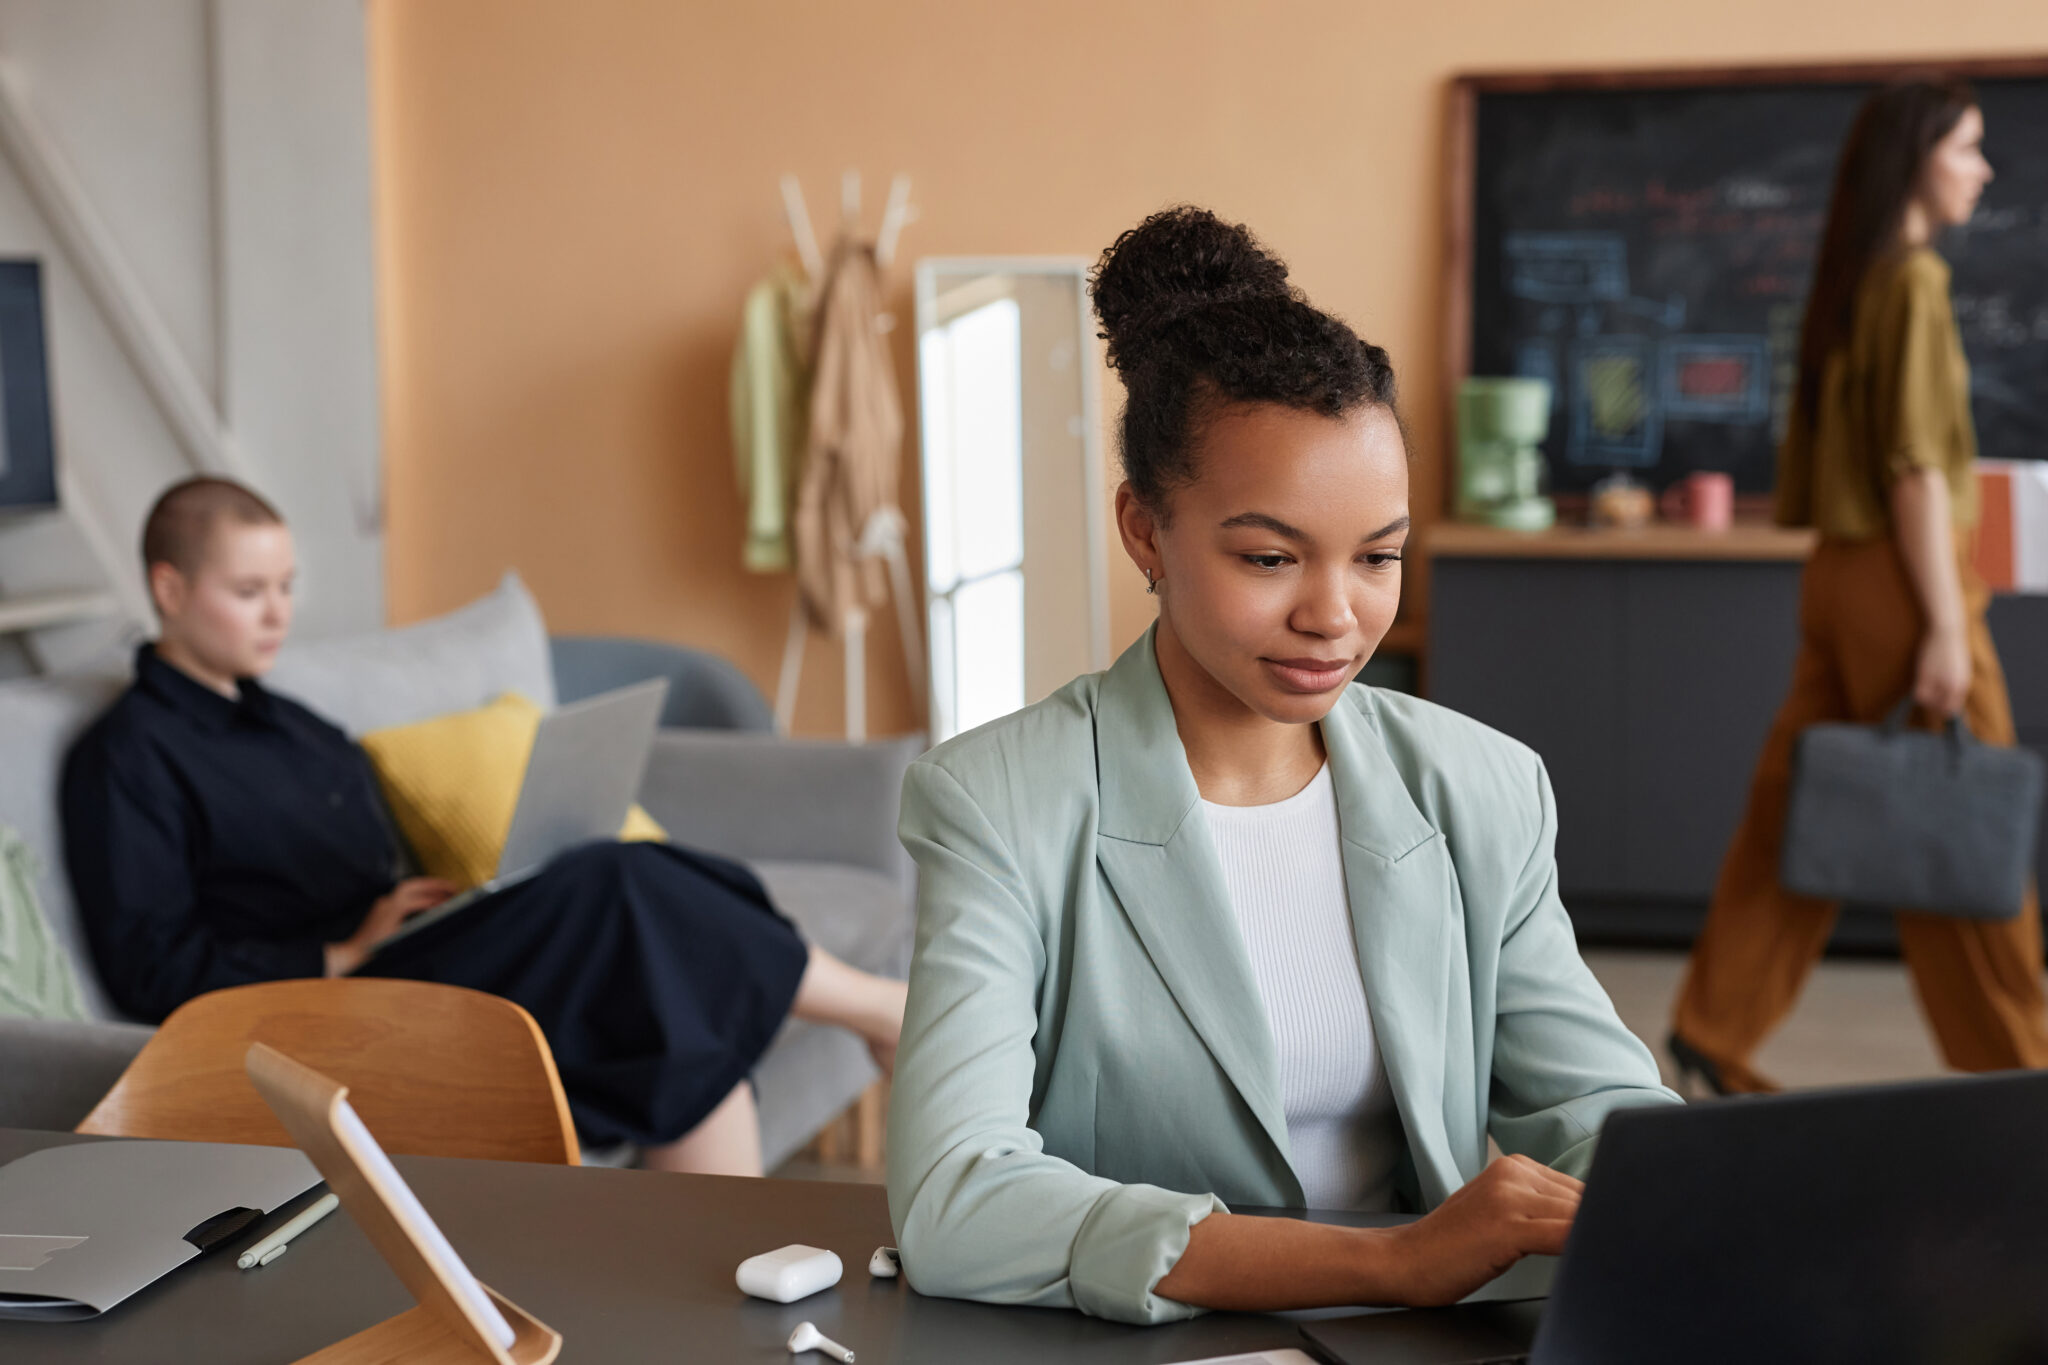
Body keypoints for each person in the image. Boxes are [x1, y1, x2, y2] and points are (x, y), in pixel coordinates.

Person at [884, 207, 1680, 1326]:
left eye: (1378, 558)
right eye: (1268, 556)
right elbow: (953, 1199)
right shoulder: (997, 804)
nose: (1333, 616)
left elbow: (1594, 1106)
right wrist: (1393, 1265)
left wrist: (1706, 1193)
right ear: (1145, 532)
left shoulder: (1479, 787)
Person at [62, 476, 906, 1175]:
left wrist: (462, 900)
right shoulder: (128, 757)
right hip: (324, 1010)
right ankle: (883, 1010)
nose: (277, 614)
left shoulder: (289, 720)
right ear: (170, 589)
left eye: (285, 588)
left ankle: (721, 1318)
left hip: (407, 949)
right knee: (620, 882)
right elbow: (150, 966)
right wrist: (339, 952)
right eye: (248, 592)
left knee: (676, 1014)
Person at [1668, 80, 2048, 1095]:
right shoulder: (1913, 281)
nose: (1982, 169)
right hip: (1900, 579)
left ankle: (1713, 1025)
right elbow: (1915, 470)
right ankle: (2022, 1072)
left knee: (1791, 809)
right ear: (1917, 156)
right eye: (1966, 148)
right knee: (1963, 827)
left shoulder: (1852, 277)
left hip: (1837, 578)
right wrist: (1939, 626)